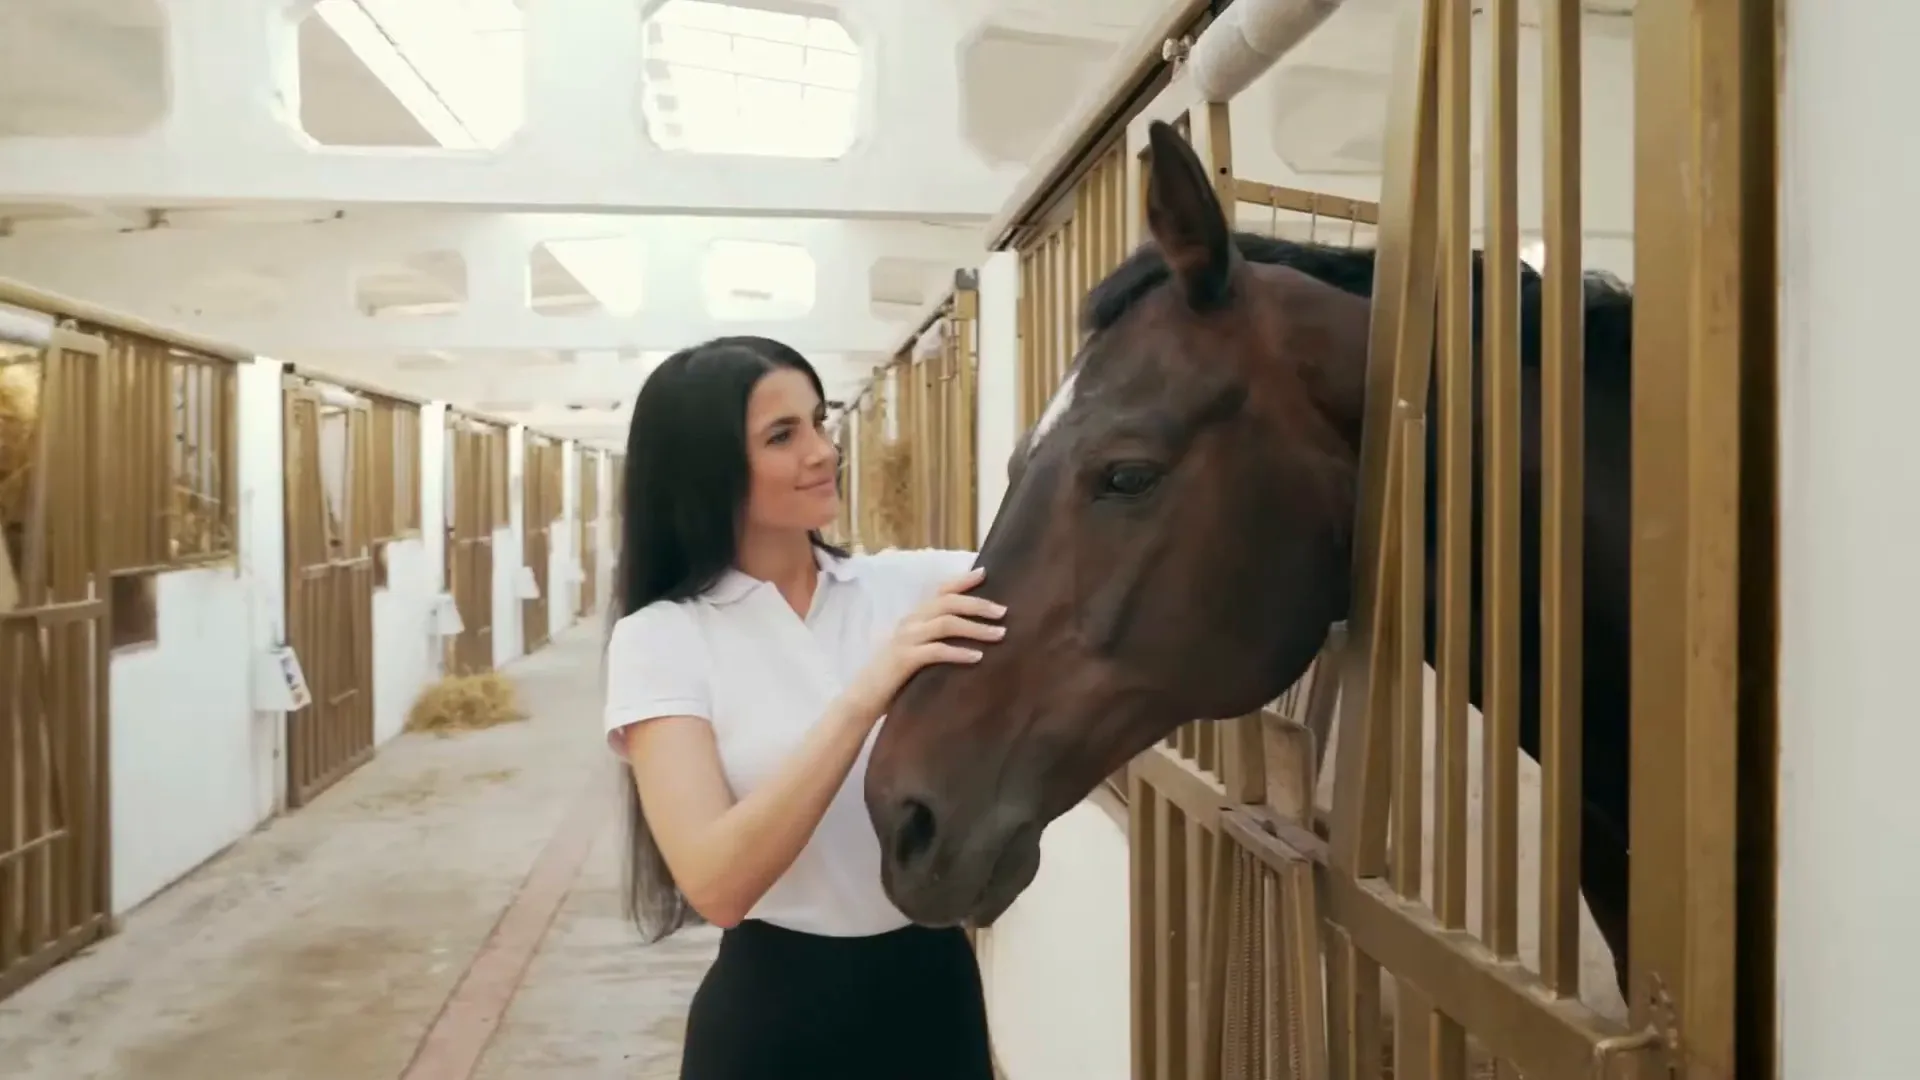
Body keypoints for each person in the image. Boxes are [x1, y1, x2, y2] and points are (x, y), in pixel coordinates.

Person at [602, 335, 999, 1080]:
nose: (822, 450)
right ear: (707, 468)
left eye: (819, 422)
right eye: (782, 436)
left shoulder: (912, 588)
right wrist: (867, 693)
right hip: (775, 1021)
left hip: (935, 997)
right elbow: (717, 884)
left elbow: (1089, 575)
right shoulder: (662, 638)